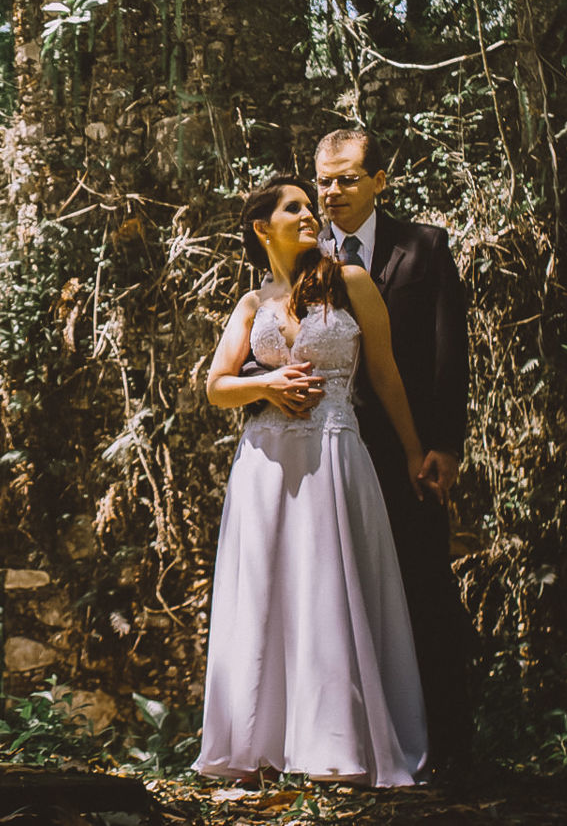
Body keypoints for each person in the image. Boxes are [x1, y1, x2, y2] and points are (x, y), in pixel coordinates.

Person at [191, 176, 429, 786]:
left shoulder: (349, 284)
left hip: (333, 452)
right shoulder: (252, 304)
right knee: (271, 590)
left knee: (329, 584)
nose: (310, 212)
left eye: (308, 204)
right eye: (292, 206)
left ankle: (336, 743)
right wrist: (265, 385)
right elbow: (216, 386)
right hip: (265, 462)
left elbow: (386, 375)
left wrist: (413, 452)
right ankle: (258, 745)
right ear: (260, 227)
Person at [313, 128, 477, 775]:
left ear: (380, 179)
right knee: (340, 593)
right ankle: (354, 745)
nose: (332, 192)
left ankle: (449, 749)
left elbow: (449, 354)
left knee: (425, 588)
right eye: (324, 180)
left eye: (348, 178)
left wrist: (445, 445)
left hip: (407, 452)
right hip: (329, 450)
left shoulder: (424, 246)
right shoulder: (302, 247)